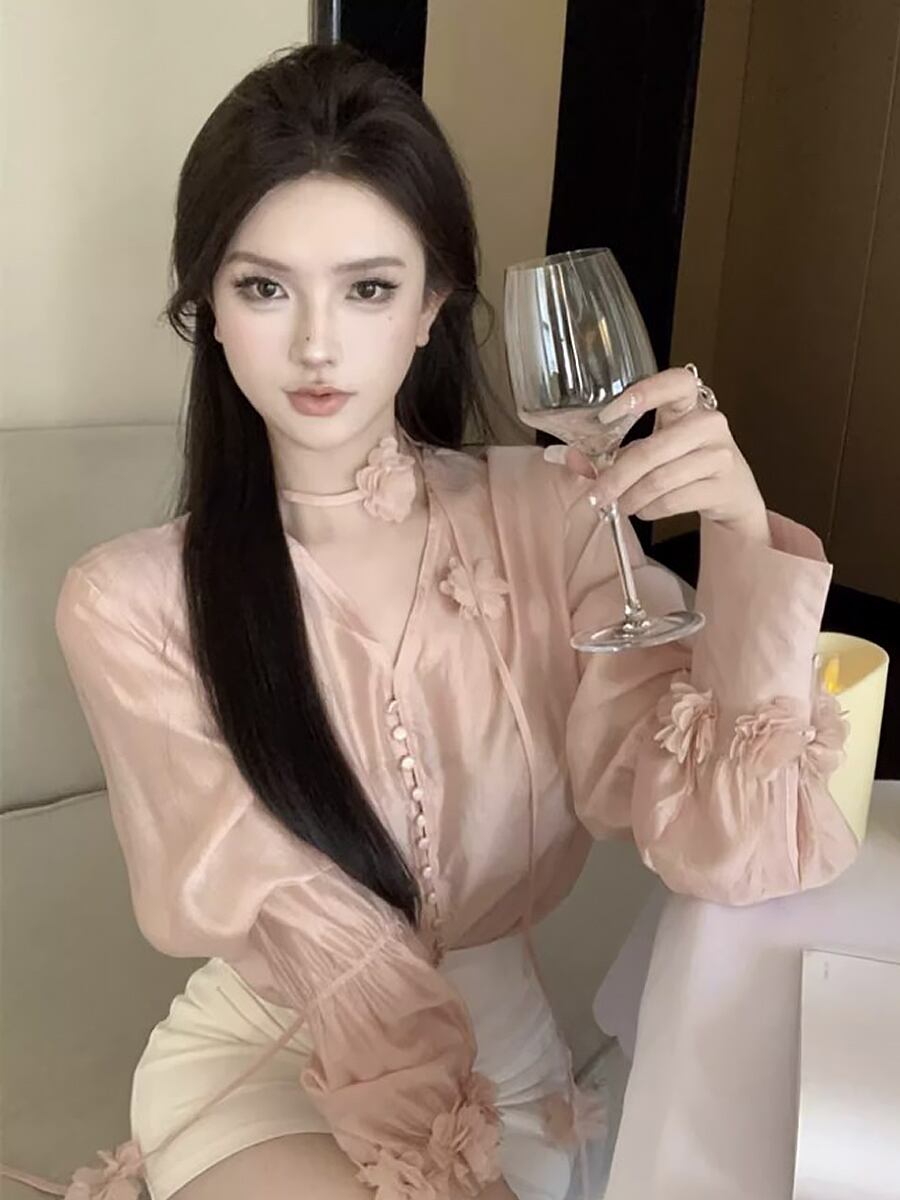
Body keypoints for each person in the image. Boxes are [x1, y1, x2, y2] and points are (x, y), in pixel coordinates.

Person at [1, 40, 859, 1200]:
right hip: (267, 1062)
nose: (316, 343)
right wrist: (447, 1172)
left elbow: (733, 852)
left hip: (505, 1071)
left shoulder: (555, 517)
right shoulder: (131, 602)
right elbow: (317, 938)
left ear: (430, 307)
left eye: (367, 288)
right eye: (264, 288)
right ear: (207, 309)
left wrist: (743, 547)